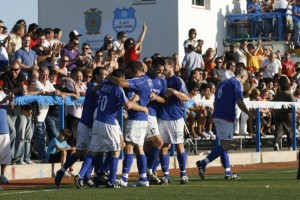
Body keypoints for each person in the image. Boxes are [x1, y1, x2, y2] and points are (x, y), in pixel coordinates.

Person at [74, 69, 149, 188]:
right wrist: (137, 101)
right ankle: (112, 181)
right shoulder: (118, 89)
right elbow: (128, 106)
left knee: (93, 151)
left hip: (97, 121)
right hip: (108, 122)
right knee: (117, 149)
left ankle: (80, 175)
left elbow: (94, 89)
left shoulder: (103, 84)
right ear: (120, 79)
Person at [196, 68, 254, 180]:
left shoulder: (223, 83)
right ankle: (203, 163)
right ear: (242, 76)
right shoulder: (237, 84)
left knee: (224, 146)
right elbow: (239, 101)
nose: (245, 82)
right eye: (245, 79)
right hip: (225, 116)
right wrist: (248, 113)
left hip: (217, 114)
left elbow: (215, 101)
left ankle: (228, 173)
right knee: (228, 144)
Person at [54, 67, 107, 187]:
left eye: (106, 74)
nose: (105, 77)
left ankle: (88, 176)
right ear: (96, 76)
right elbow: (94, 89)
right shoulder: (92, 85)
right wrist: (106, 83)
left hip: (95, 125)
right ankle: (62, 171)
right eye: (103, 74)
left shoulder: (102, 87)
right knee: (79, 153)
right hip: (85, 124)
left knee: (94, 152)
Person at [108, 60, 152, 187]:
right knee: (139, 148)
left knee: (129, 146)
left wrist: (109, 76)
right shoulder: (147, 79)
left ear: (135, 72)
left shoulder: (139, 81)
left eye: (129, 73)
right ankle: (143, 178)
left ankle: (125, 178)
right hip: (141, 118)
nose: (128, 75)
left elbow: (121, 83)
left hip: (137, 117)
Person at [157, 57, 189, 185]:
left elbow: (186, 97)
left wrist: (174, 92)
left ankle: (183, 174)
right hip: (162, 116)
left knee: (179, 144)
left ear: (171, 66)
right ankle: (165, 175)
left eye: (164, 66)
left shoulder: (177, 80)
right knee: (163, 146)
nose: (162, 68)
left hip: (175, 117)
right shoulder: (160, 80)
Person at [273, 76, 296, 151]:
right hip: (288, 114)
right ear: (289, 88)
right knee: (289, 130)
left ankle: (276, 143)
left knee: (278, 129)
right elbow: (294, 103)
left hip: (278, 113)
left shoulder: (277, 95)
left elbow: (273, 104)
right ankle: (290, 145)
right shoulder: (289, 95)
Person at [0, 85, 14, 184]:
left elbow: (11, 108)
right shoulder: (3, 96)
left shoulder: (3, 93)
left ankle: (2, 175)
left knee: (5, 155)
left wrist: (10, 100)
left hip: (4, 128)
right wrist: (4, 99)